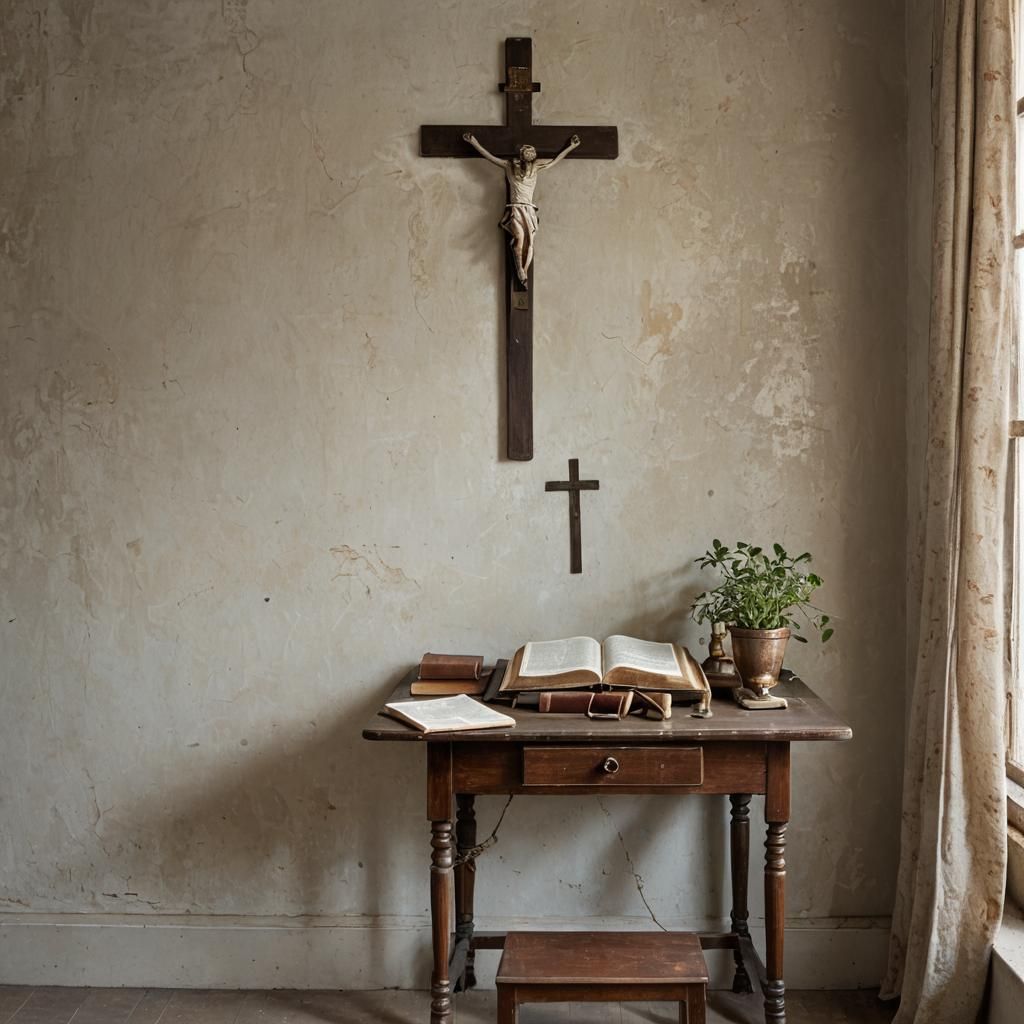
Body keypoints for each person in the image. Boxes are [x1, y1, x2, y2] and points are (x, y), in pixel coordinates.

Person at [463, 132, 582, 286]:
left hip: (529, 210)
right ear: (521, 154)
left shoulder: (536, 166)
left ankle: (523, 271)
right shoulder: (509, 166)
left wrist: (570, 147)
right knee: (519, 239)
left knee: (530, 242)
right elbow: (490, 157)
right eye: (526, 152)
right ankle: (520, 270)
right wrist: (475, 143)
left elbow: (555, 161)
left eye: (531, 153)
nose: (529, 155)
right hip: (516, 209)